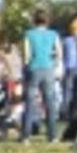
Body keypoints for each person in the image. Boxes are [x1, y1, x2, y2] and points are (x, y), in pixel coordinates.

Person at [22, 9, 62, 143]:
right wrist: (54, 63)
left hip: (34, 67)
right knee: (49, 102)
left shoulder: (28, 34)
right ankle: (52, 135)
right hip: (48, 68)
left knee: (30, 102)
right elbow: (59, 53)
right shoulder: (54, 34)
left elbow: (26, 55)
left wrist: (27, 65)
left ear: (34, 20)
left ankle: (25, 136)